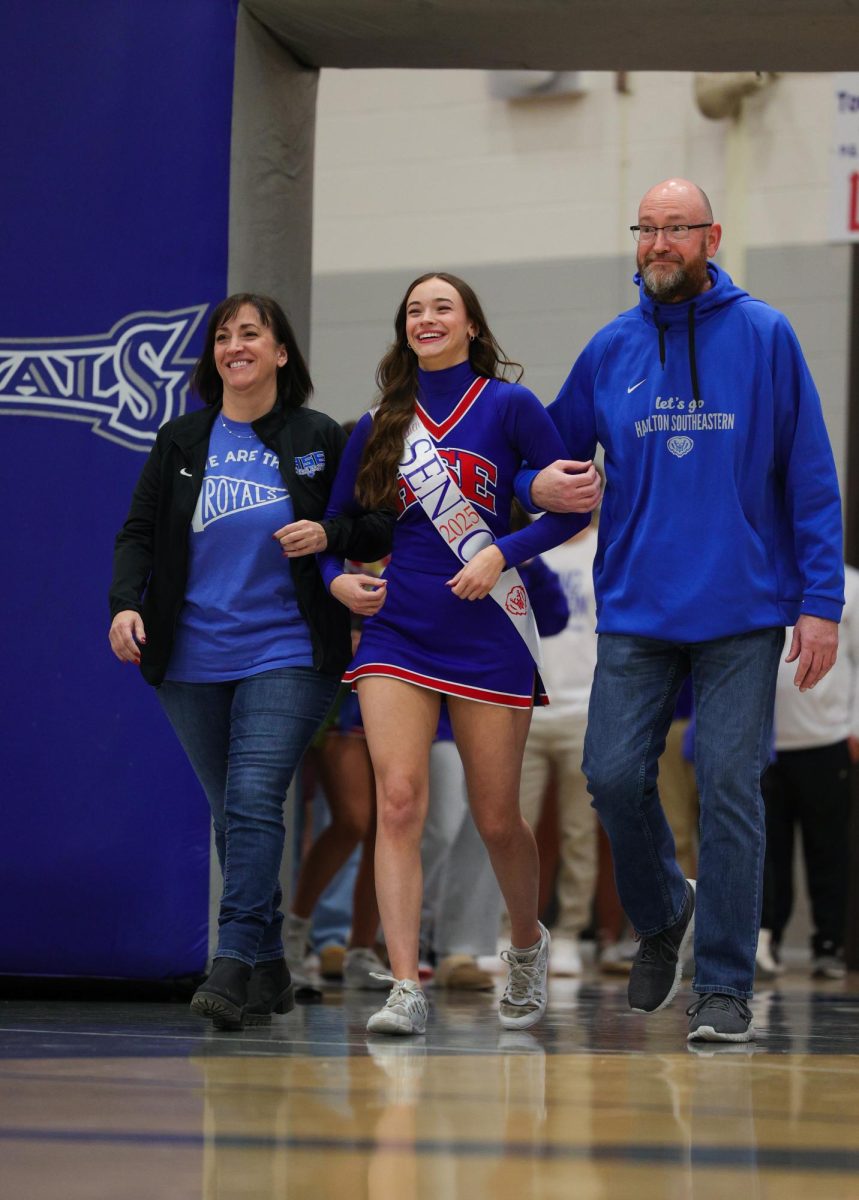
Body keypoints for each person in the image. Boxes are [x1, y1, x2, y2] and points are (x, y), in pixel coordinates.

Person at [517, 179, 844, 1043]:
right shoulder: (610, 348)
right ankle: (666, 908)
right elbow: (544, 453)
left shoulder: (766, 335)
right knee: (613, 776)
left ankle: (724, 985)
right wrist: (531, 482)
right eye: (647, 229)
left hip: (742, 608)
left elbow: (810, 477)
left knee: (731, 787)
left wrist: (820, 603)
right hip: (637, 611)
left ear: (711, 237)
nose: (659, 243)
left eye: (676, 229)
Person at [318, 272, 601, 1036]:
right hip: (398, 630)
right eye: (414, 309)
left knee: (497, 817)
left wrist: (499, 554)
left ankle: (523, 945)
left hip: (488, 632)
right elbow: (336, 524)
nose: (427, 317)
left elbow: (567, 508)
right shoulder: (381, 422)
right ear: (403, 329)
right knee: (399, 803)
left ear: (471, 325)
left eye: (442, 306)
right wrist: (336, 583)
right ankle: (405, 985)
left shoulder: (510, 407)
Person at [108, 293, 392, 1030]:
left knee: (255, 797)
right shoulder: (181, 440)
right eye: (224, 336)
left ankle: (231, 960)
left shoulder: (317, 436)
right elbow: (138, 532)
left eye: (251, 334)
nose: (235, 345)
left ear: (280, 353)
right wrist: (123, 604)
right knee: (231, 813)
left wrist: (325, 534)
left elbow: (372, 521)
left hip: (289, 648)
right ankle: (268, 968)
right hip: (190, 656)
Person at [759, 562, 859, 982]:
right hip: (764, 743)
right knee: (768, 853)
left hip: (827, 739)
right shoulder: (761, 569)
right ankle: (768, 943)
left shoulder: (851, 583)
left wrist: (855, 725)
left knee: (828, 850)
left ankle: (828, 945)